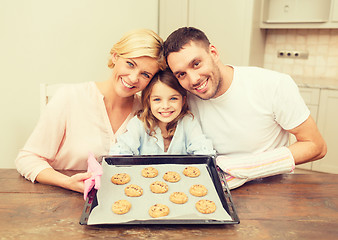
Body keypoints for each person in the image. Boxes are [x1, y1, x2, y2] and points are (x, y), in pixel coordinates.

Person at [163, 27, 327, 189]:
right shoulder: (183, 98)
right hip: (213, 188)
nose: (193, 80)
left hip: (270, 188)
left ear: (213, 53)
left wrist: (246, 167)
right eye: (181, 74)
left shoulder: (273, 85)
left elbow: (316, 146)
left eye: (196, 64)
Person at [15, 28, 166, 193]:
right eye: (130, 64)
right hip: (63, 202)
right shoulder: (70, 97)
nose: (133, 78)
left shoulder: (148, 111)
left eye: (145, 74)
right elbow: (27, 159)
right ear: (115, 56)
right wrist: (68, 183)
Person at [109, 69, 215, 155]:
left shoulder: (188, 122)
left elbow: (204, 152)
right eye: (157, 99)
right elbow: (120, 151)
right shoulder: (139, 123)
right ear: (148, 101)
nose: (165, 106)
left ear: (183, 101)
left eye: (173, 99)